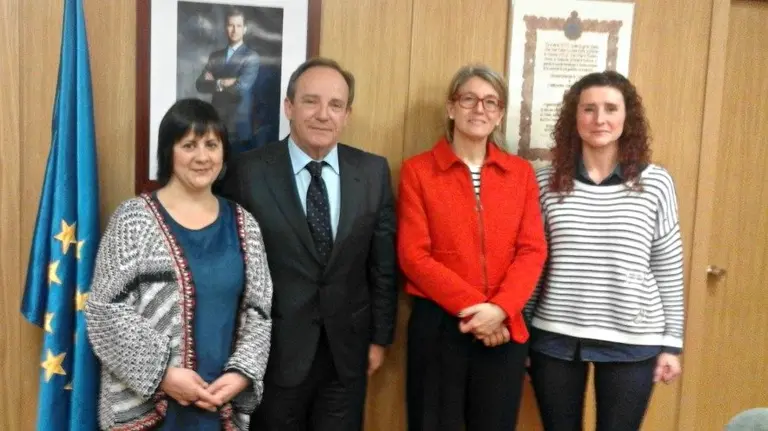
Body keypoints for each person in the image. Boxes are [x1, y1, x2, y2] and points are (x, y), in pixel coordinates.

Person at [219, 57, 398, 431]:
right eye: (311, 101)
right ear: (289, 107)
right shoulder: (248, 172)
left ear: (347, 115)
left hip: (346, 355)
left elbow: (382, 265)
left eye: (335, 105)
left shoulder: (372, 172)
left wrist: (379, 339)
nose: (322, 114)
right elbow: (230, 267)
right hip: (274, 353)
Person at [85, 99, 273, 430]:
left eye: (211, 145)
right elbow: (103, 312)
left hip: (219, 407)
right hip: (149, 411)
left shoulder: (244, 224)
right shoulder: (133, 220)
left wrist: (242, 373)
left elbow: (259, 313)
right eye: (189, 145)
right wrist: (162, 375)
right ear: (168, 152)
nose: (202, 157)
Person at [525, 70, 685, 431]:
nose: (600, 119)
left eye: (611, 108)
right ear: (574, 117)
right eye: (589, 109)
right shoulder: (545, 182)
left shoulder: (656, 183)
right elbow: (533, 263)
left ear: (627, 118)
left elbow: (667, 265)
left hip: (633, 339)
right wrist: (522, 332)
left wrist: (671, 344)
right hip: (556, 337)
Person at [397, 64, 548, 431]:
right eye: (469, 99)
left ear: (499, 114)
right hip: (439, 328)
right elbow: (414, 256)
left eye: (490, 102)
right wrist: (480, 312)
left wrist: (500, 309)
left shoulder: (520, 174)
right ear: (452, 108)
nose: (479, 109)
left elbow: (532, 250)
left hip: (504, 328)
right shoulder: (418, 171)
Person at [196, 7, 259, 151]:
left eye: (238, 26)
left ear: (245, 29)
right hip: (216, 123)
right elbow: (200, 84)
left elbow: (240, 89)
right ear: (225, 28)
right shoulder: (215, 56)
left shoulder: (251, 57)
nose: (234, 30)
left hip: (238, 125)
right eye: (231, 25)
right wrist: (222, 82)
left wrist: (214, 81)